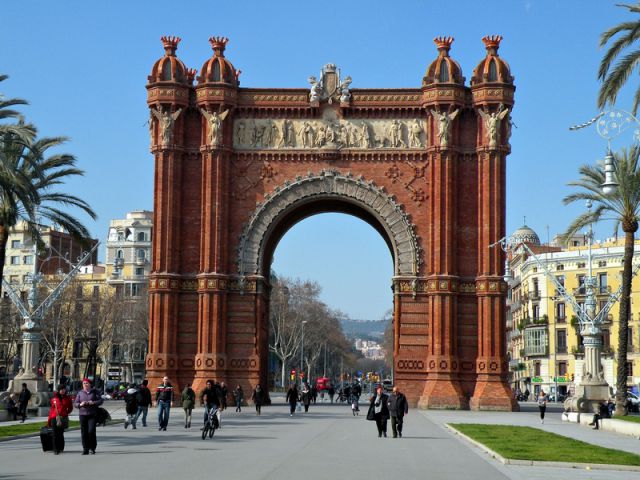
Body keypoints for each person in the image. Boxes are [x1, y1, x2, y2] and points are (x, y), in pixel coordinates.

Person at [74, 378, 103, 455]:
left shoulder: (95, 392)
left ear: (90, 384)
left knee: (91, 431)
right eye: (84, 383)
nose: (85, 385)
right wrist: (80, 404)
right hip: (82, 415)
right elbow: (75, 403)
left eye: (87, 383)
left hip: (92, 414)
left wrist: (92, 402)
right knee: (84, 432)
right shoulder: (80, 393)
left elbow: (100, 401)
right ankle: (85, 448)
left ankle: (92, 448)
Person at [47, 384, 73, 454]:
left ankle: (61, 447)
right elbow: (51, 410)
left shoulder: (68, 398)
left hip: (63, 418)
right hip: (54, 417)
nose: (63, 391)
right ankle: (55, 449)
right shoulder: (54, 398)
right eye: (61, 390)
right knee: (55, 433)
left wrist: (66, 412)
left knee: (60, 433)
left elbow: (70, 408)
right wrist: (49, 420)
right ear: (58, 390)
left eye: (64, 389)